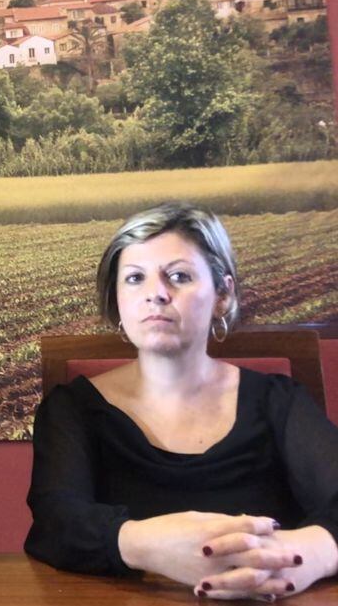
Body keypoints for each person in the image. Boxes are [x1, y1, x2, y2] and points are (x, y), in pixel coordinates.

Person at [25, 201, 338, 600]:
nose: (156, 294)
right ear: (116, 300)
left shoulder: (280, 401)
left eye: (178, 276)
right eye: (135, 278)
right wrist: (145, 545)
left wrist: (309, 554)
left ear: (222, 295)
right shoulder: (72, 409)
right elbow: (55, 523)